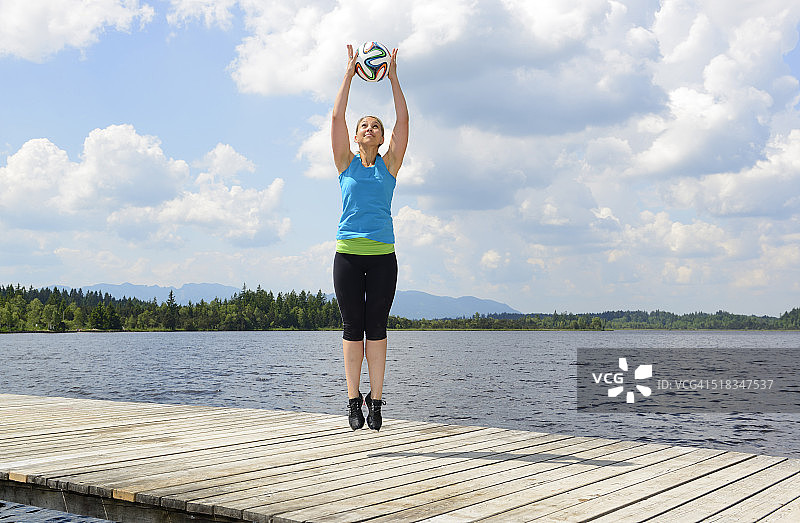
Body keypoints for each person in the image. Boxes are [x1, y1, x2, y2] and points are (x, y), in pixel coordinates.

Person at [331, 44, 408, 431]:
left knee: (376, 328)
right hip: (347, 255)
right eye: (364, 125)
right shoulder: (344, 163)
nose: (369, 129)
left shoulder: (389, 165)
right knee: (352, 328)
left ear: (381, 138)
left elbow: (404, 121)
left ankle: (376, 401)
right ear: (356, 135)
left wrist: (392, 77)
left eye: (375, 126)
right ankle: (351, 399)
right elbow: (336, 116)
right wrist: (348, 74)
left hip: (382, 256)